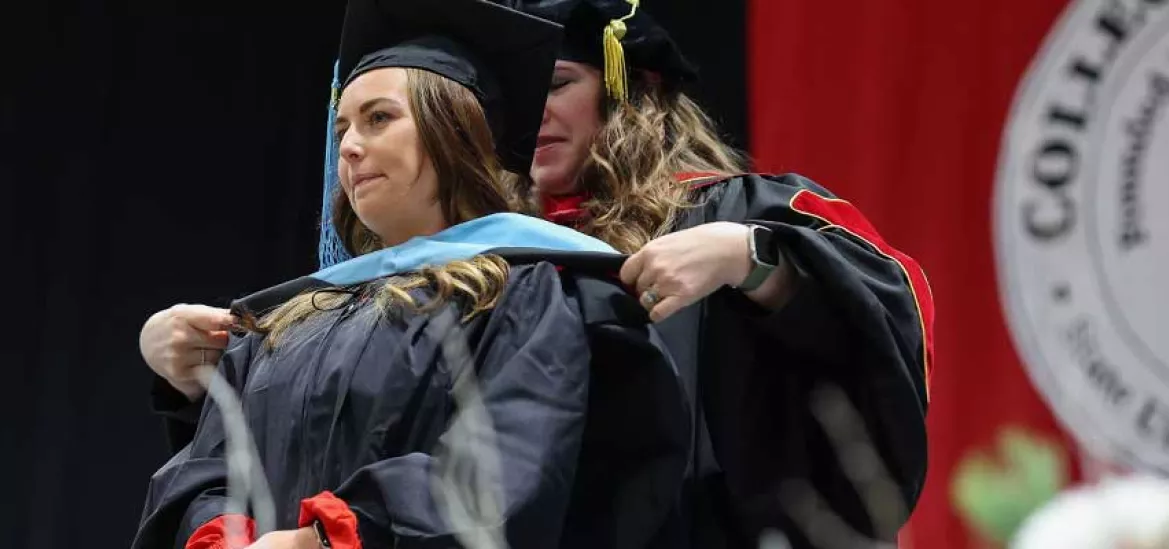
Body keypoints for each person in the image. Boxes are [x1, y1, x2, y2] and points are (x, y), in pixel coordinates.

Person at [143, 0, 935, 546]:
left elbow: (881, 318)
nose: (534, 117)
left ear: (629, 95)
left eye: (560, 85)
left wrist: (752, 258)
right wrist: (204, 375)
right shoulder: (464, 271)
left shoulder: (723, 208)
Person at [132, 1, 688, 547]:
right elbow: (206, 469)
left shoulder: (522, 292)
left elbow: (504, 468)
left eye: (379, 119)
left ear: (454, 130)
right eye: (343, 126)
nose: (348, 147)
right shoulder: (289, 320)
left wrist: (323, 540)